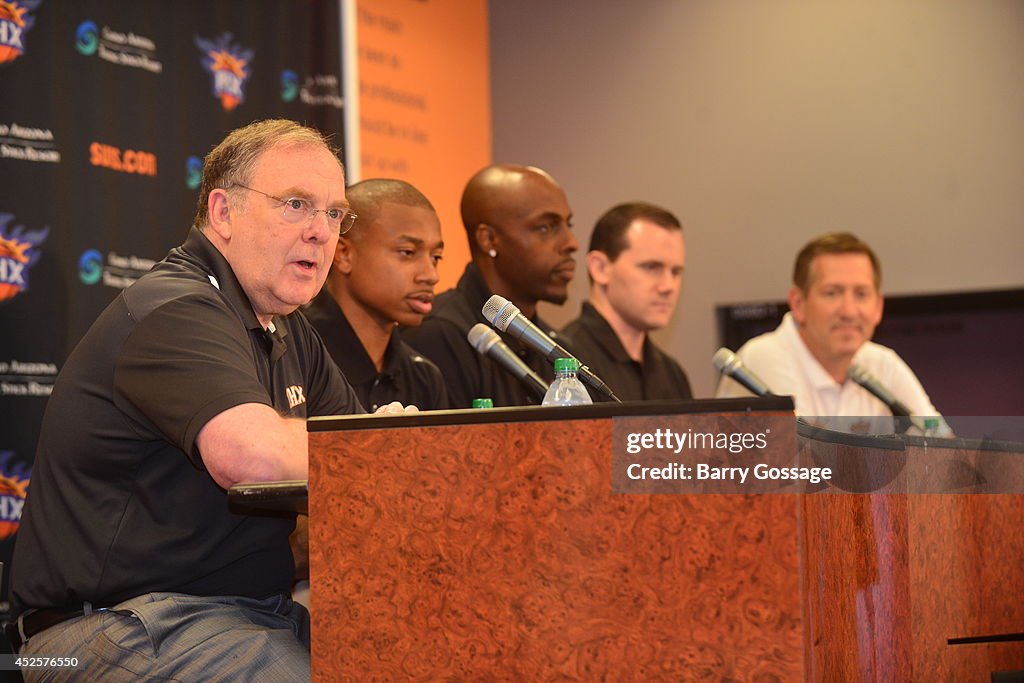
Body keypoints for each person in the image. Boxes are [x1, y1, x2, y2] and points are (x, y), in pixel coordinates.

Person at [7, 119, 411, 680]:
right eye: (296, 205)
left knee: (422, 654)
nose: (322, 231)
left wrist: (401, 455)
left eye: (334, 213)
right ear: (223, 213)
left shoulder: (290, 331)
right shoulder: (176, 308)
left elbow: (366, 471)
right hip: (109, 628)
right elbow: (254, 457)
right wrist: (391, 447)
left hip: (248, 615)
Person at [715, 232, 945, 431]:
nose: (848, 311)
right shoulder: (762, 360)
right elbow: (806, 468)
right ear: (798, 303)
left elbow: (945, 446)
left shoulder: (883, 365)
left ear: (878, 307)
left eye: (861, 294)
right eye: (832, 293)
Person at [404, 164, 579, 408]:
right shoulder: (439, 335)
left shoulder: (556, 348)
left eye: (568, 225)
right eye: (546, 227)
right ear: (488, 240)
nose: (571, 243)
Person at [303, 178, 448, 412]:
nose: (431, 275)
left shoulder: (424, 377)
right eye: (408, 252)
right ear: (344, 254)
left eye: (436, 257)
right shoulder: (297, 351)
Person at [561, 202, 693, 401]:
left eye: (676, 272)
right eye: (651, 267)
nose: (668, 286)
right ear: (600, 268)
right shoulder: (565, 362)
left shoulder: (672, 373)